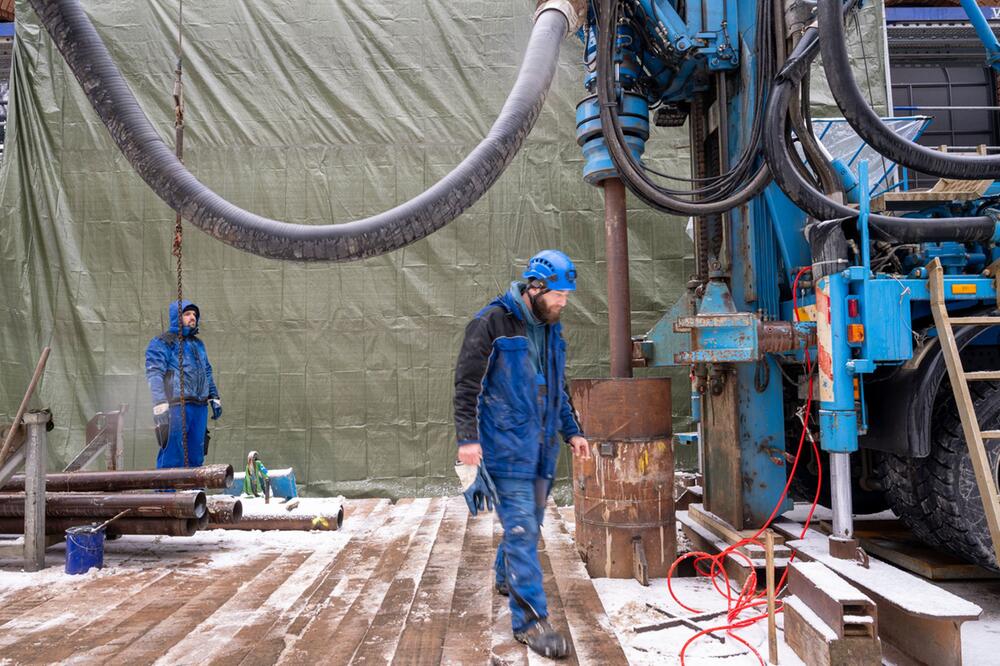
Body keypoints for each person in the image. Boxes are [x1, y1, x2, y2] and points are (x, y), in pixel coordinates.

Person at [453, 249, 590, 659]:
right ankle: (531, 621)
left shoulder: (550, 328)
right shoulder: (491, 323)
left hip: (542, 449)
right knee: (522, 531)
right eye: (558, 295)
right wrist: (468, 438)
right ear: (536, 287)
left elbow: (557, 383)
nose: (563, 303)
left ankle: (504, 576)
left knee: (525, 522)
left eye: (567, 295)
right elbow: (466, 385)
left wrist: (573, 431)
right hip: (505, 448)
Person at [145, 299, 222, 468]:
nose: (192, 317)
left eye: (194, 314)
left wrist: (214, 396)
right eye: (187, 314)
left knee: (197, 454)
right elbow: (154, 372)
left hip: (200, 407)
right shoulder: (163, 342)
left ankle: (194, 493)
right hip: (176, 406)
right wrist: (159, 402)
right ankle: (166, 493)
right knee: (172, 454)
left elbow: (206, 371)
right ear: (176, 317)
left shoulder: (198, 344)